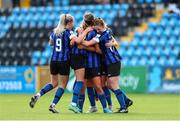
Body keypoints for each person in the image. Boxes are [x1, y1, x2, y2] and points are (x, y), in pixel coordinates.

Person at [29, 14, 92, 113]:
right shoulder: (69, 32)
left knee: (53, 83)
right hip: (63, 61)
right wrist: (84, 33)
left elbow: (50, 43)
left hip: (53, 60)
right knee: (62, 85)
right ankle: (53, 104)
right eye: (72, 23)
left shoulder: (55, 32)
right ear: (69, 23)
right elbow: (78, 41)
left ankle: (38, 95)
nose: (73, 25)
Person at [81, 18, 133, 113]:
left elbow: (88, 43)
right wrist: (114, 43)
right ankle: (126, 100)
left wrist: (79, 41)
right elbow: (114, 41)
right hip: (110, 62)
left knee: (114, 85)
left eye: (98, 29)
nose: (97, 31)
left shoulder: (101, 37)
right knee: (108, 85)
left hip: (112, 62)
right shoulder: (109, 30)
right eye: (96, 29)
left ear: (101, 26)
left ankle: (124, 107)